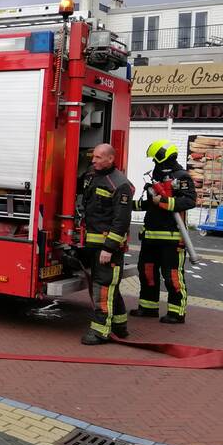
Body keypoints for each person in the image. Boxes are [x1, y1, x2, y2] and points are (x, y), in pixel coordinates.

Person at [131, 140, 196, 324]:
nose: (154, 164)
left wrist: (165, 201)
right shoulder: (157, 179)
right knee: (147, 272)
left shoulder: (182, 177)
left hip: (172, 239)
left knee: (172, 276)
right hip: (150, 237)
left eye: (155, 159)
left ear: (163, 157)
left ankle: (176, 313)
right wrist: (128, 205)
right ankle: (148, 307)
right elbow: (150, 204)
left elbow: (189, 201)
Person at [79, 143, 135, 345]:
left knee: (103, 288)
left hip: (107, 249)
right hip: (93, 245)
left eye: (98, 158)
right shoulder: (91, 176)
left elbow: (121, 221)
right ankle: (120, 326)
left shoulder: (120, 185)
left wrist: (109, 248)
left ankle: (100, 332)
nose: (93, 161)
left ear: (110, 159)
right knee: (111, 288)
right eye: (93, 157)